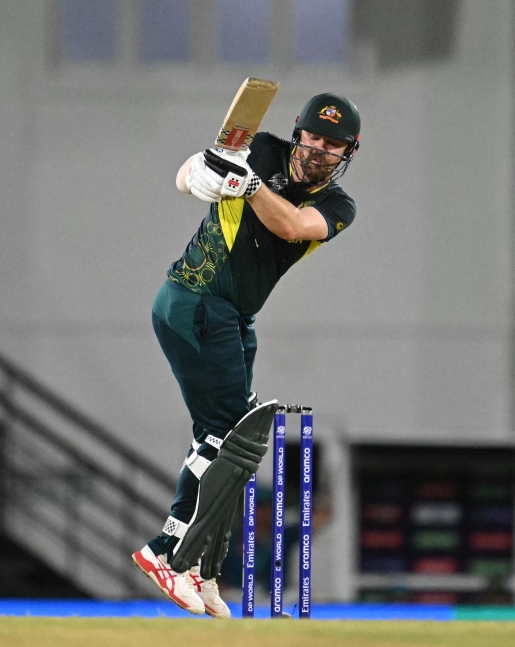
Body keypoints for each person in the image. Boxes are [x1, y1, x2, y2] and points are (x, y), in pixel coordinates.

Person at [132, 93, 361, 617]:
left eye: (334, 144)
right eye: (314, 137)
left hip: (233, 318)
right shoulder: (261, 149)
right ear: (298, 131)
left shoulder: (338, 205)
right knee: (224, 435)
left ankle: (203, 568)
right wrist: (203, 177)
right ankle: (166, 553)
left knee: (236, 441)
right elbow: (189, 172)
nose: (320, 150)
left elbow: (293, 226)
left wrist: (248, 187)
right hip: (196, 300)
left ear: (347, 150)